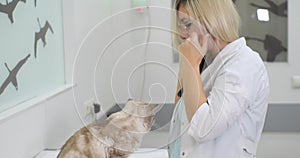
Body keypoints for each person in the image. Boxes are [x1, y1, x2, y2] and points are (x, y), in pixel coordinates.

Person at [168, 0, 270, 158]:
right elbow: (179, 116)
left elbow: (204, 128)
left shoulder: (243, 63)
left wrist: (189, 66)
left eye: (187, 24)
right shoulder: (203, 62)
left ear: (211, 21)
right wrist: (187, 65)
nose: (182, 34)